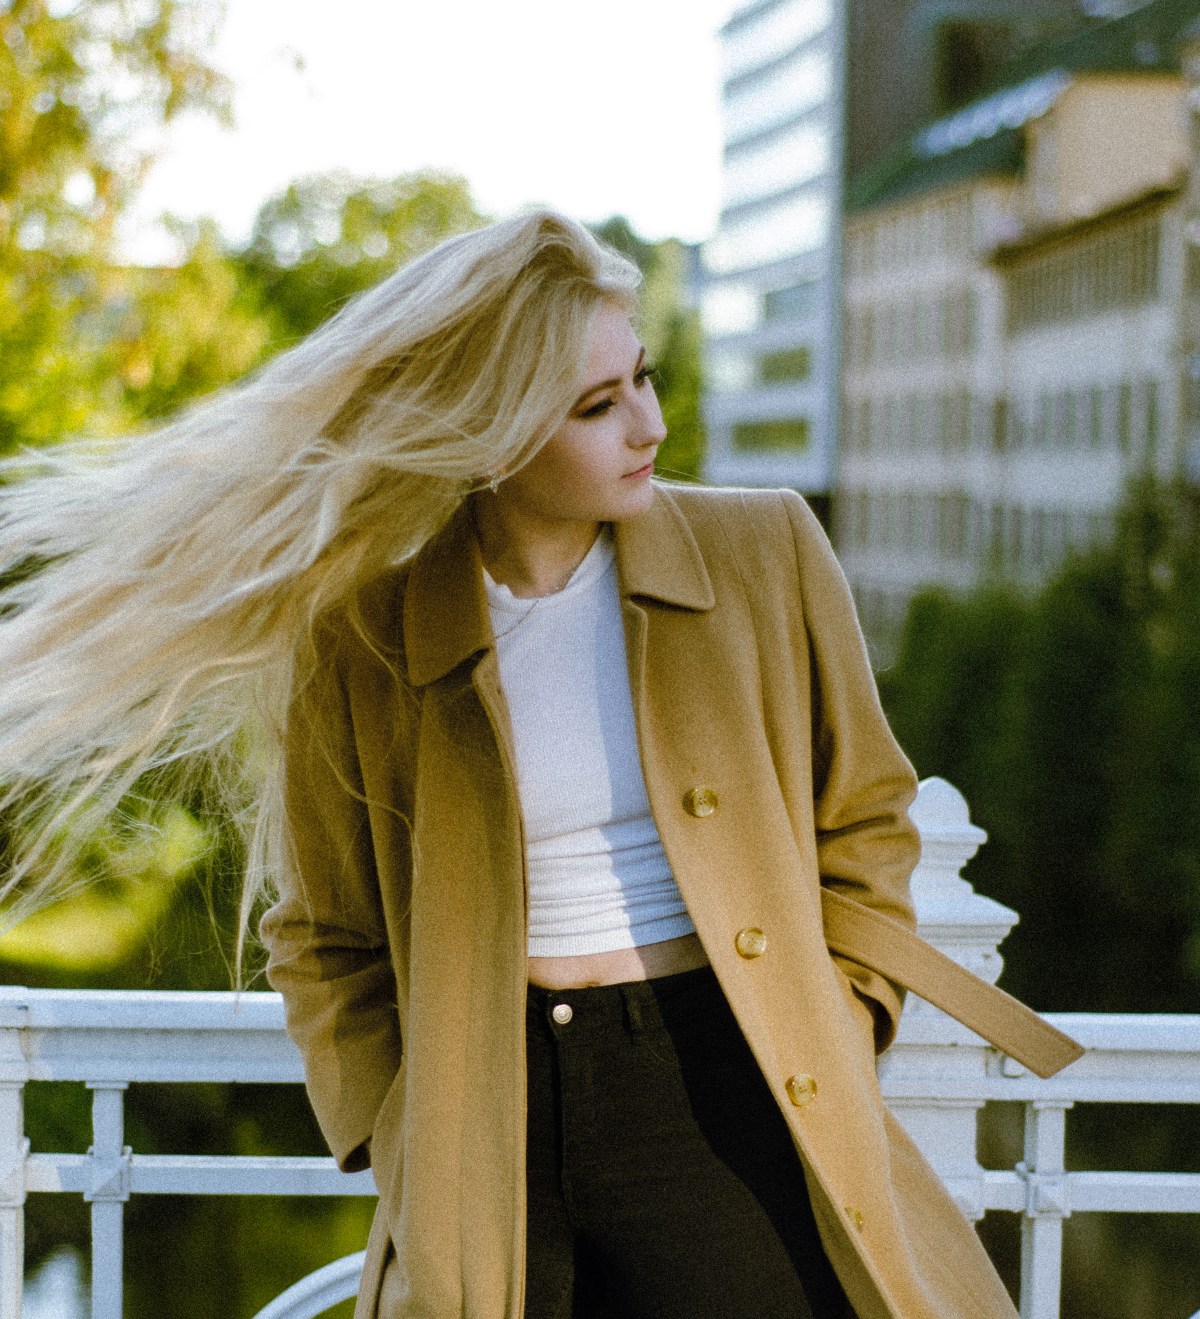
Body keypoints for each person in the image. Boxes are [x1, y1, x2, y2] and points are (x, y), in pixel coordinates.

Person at [0, 210, 1079, 1319]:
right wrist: (397, 1128)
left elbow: (866, 815)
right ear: (496, 433)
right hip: (486, 1115)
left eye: (643, 378)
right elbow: (321, 931)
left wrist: (844, 1023)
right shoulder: (364, 630)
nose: (649, 424)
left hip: (724, 1085)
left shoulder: (767, 552)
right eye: (597, 406)